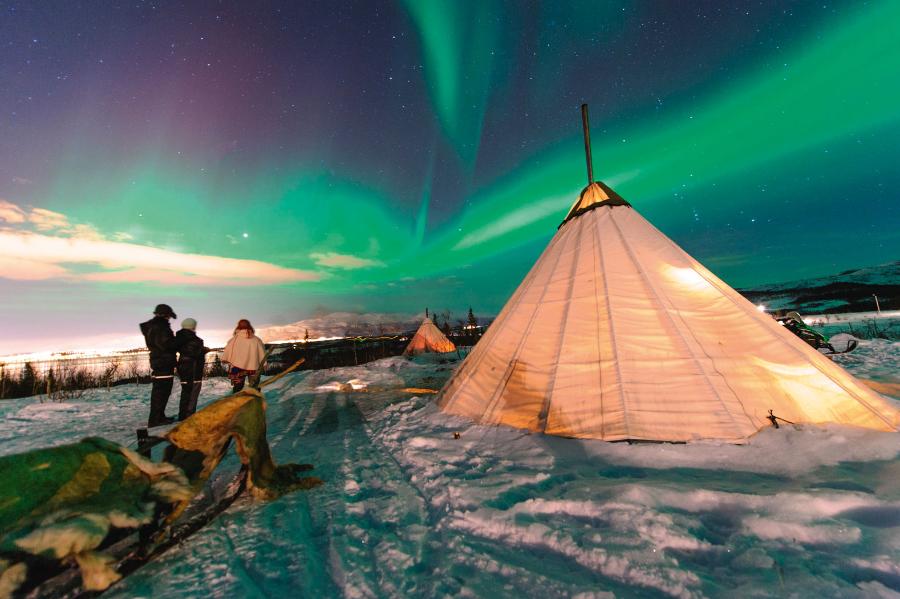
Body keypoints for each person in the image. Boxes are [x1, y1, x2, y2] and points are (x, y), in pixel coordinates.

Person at [139, 304, 177, 427]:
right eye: (169, 316)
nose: (169, 319)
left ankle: (159, 416)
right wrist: (177, 342)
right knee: (161, 391)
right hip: (163, 361)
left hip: (159, 361)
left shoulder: (154, 326)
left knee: (161, 391)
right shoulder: (161, 327)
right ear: (165, 315)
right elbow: (165, 344)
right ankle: (156, 419)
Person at [174, 318, 209, 421]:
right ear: (193, 327)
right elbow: (193, 353)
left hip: (183, 369)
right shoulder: (194, 340)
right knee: (193, 393)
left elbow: (187, 351)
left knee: (186, 392)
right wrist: (203, 350)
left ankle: (183, 415)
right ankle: (188, 417)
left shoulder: (179, 338)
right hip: (193, 369)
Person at [222, 319, 266, 393]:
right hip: (254, 368)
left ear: (238, 327)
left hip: (237, 368)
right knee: (254, 388)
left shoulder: (233, 340)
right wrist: (264, 364)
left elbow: (227, 353)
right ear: (250, 327)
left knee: (238, 388)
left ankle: (237, 402)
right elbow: (262, 354)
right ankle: (254, 401)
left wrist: (227, 360)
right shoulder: (257, 340)